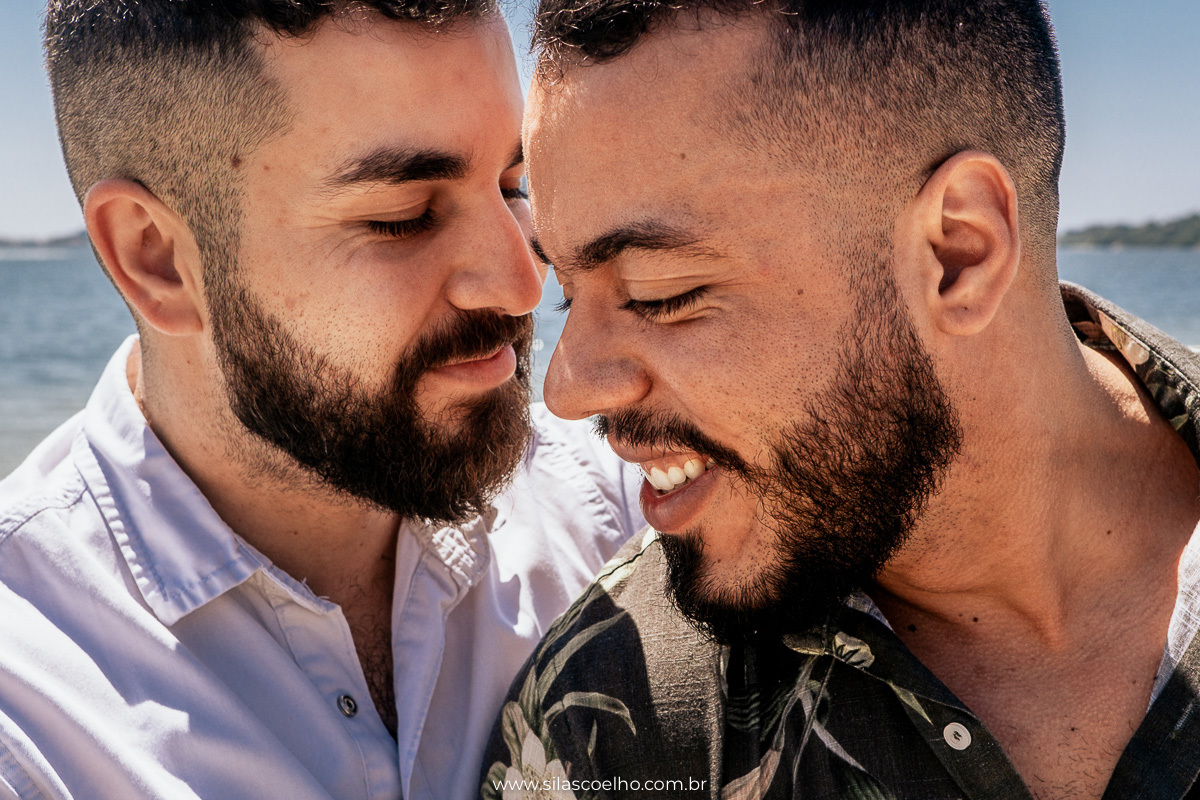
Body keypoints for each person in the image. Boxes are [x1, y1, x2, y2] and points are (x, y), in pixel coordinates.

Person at [480, 1, 1200, 798]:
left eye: (661, 293)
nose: (568, 391)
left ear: (958, 254)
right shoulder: (607, 731)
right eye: (566, 297)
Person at [0, 1, 645, 798]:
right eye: (402, 219)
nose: (523, 282)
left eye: (515, 185)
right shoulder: (26, 710)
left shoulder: (626, 513)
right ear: (157, 257)